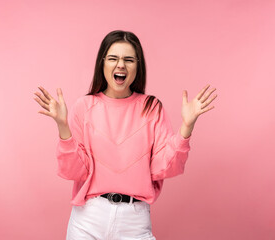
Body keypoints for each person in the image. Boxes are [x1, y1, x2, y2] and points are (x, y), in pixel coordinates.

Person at [33, 30, 217, 239]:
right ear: (102, 63)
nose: (121, 65)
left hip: (134, 221)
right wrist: (62, 126)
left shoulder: (152, 107)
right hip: (88, 219)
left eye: (128, 60)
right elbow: (75, 172)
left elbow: (163, 167)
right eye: (113, 58)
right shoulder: (84, 106)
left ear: (137, 67)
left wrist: (186, 127)